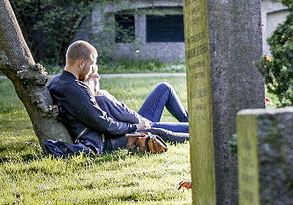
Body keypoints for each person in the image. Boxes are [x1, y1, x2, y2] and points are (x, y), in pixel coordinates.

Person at [48, 40, 188, 154]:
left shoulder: (56, 82)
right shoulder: (74, 89)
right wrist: (133, 127)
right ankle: (203, 137)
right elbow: (105, 124)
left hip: (107, 134)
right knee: (155, 132)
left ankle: (196, 129)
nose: (93, 71)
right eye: (92, 66)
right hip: (105, 141)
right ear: (81, 63)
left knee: (162, 96)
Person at [85, 64, 189, 143]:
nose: (99, 77)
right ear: (88, 81)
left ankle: (189, 119)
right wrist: (107, 97)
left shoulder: (99, 96)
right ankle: (196, 125)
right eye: (95, 75)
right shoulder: (100, 99)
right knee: (190, 128)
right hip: (139, 126)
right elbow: (122, 118)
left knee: (165, 88)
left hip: (137, 121)